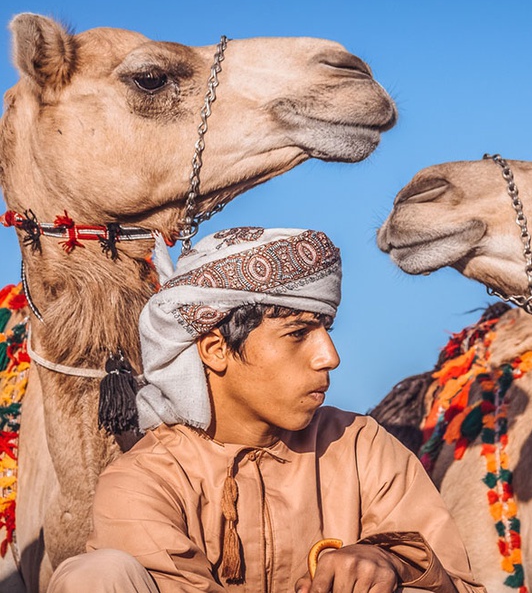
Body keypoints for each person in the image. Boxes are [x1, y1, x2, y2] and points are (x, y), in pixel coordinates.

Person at [48, 227, 485, 593]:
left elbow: (463, 584)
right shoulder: (144, 481)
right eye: (298, 334)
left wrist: (390, 563)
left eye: (325, 330)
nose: (329, 356)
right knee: (96, 576)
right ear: (216, 349)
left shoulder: (358, 445)